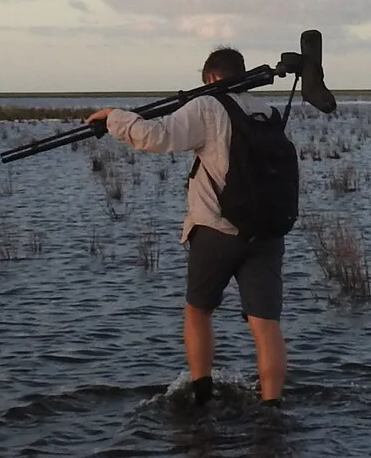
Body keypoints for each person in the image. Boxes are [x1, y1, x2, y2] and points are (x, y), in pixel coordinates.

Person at [89, 47, 286, 404]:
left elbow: (156, 136)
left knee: (198, 310)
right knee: (265, 324)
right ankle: (272, 406)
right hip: (267, 232)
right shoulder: (267, 112)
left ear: (210, 78)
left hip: (216, 230)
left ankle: (202, 394)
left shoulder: (207, 106)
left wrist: (114, 117)